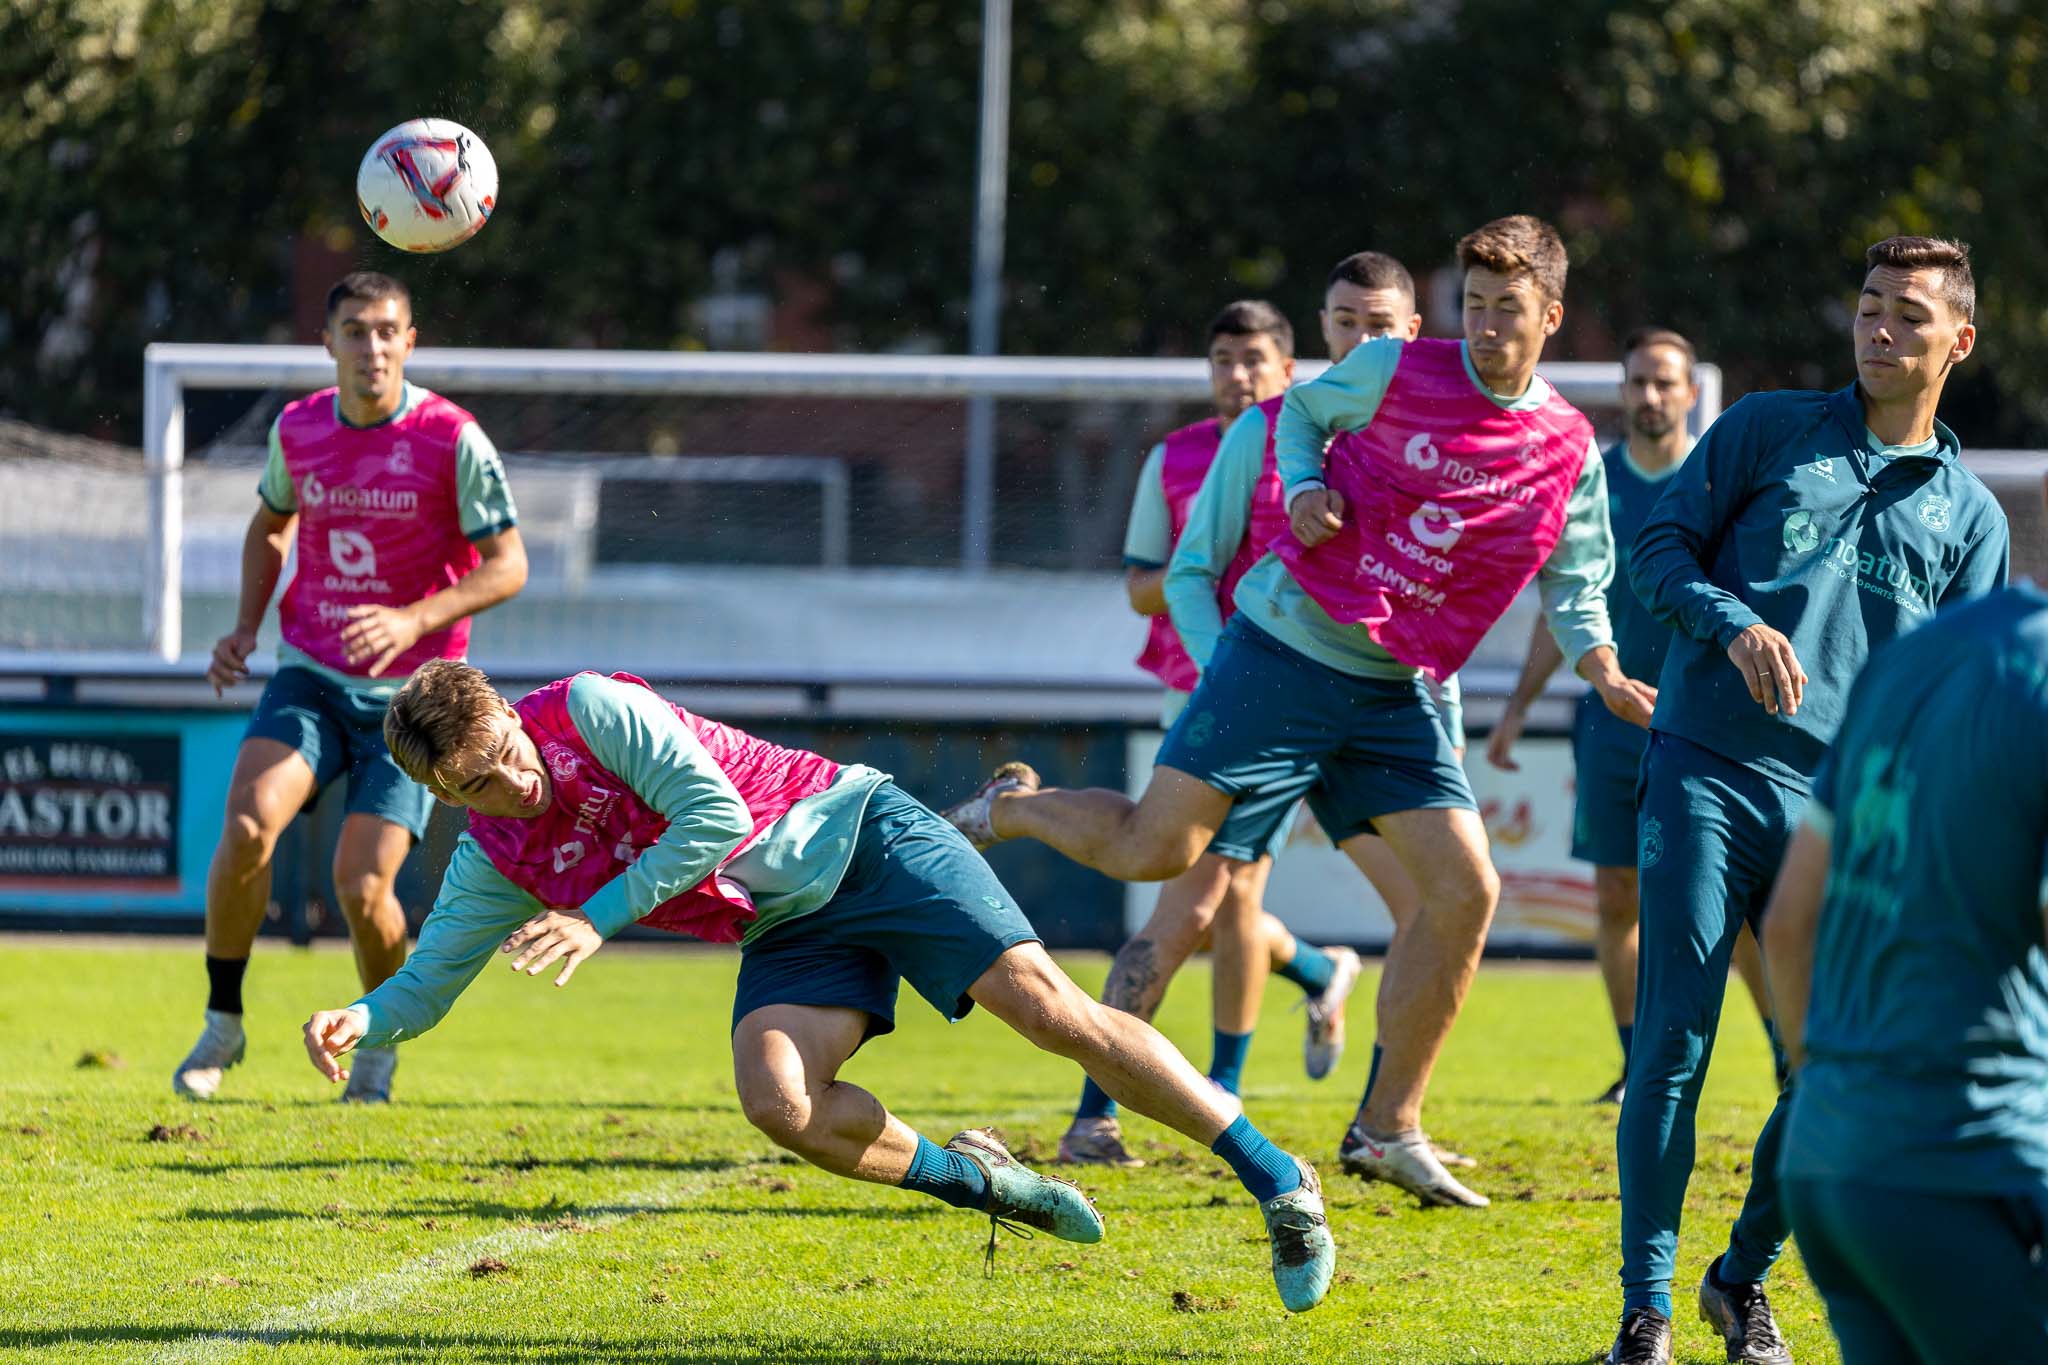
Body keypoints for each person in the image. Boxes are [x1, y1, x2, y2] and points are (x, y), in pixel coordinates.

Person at [948, 216, 1656, 1209]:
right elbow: (1294, 420)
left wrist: (1607, 669)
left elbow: (1578, 582)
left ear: (1551, 316)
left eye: (1510, 309)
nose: (1489, 326)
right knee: (1160, 854)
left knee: (1463, 890)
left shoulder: (1567, 447)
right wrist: (1315, 481)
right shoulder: (1390, 370)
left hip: (1393, 688)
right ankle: (1012, 809)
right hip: (1282, 649)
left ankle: (1384, 1127)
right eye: (1475, 305)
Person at [299, 662, 1336, 1311]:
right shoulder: (492, 856)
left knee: (1046, 1009)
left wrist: (595, 917)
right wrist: (363, 1015)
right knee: (776, 1101)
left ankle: (1277, 1180)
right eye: (476, 784)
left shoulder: (590, 710)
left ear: (509, 716)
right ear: (437, 794)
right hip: (791, 924)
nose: (514, 785)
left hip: (862, 836)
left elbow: (711, 822)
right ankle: (987, 1184)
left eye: (507, 756)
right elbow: (430, 982)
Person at [1607, 235, 2009, 1365]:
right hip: (1701, 769)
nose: (1879, 330)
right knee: (1670, 1044)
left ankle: (1737, 1280)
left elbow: (1951, 695)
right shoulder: (1766, 428)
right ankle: (1642, 1315)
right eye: (1868, 307)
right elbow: (1656, 552)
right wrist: (1730, 622)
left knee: (1834, 1069)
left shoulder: (1969, 518)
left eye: (1908, 316)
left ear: (1957, 343)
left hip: (1838, 818)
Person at [1144, 251, 1478, 1181]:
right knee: (1183, 893)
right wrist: (1234, 684)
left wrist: (1444, 711)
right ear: (1320, 331)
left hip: (1380, 714)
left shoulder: (1449, 440)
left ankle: (1383, 1118)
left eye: (1378, 328)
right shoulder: (1267, 431)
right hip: (1271, 697)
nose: (1360, 344)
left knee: (1437, 906)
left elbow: (1439, 601)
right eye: (1342, 325)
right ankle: (1123, 1110)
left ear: (1412, 334)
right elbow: (1180, 574)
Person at [175, 271, 528, 1104]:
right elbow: (270, 524)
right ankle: (223, 1022)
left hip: (415, 702)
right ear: (326, 343)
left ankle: (375, 1043)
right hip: (310, 673)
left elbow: (509, 562)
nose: (371, 347)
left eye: (387, 331)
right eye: (355, 331)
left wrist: (412, 621)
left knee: (362, 885)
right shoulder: (298, 428)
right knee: (250, 823)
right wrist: (244, 628)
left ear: (411, 342)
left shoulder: (452, 436)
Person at [1065, 297, 1364, 1167]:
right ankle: (1311, 974)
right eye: (1223, 360)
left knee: (1202, 898)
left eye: (1253, 360)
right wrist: (1213, 566)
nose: (1237, 375)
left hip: (1298, 701)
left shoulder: (1326, 455)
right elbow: (1141, 587)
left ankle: (1108, 1107)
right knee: (1221, 897)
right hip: (1194, 693)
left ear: (1287, 370)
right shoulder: (1177, 457)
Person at [1763, 584, 2048, 1364]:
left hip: (1831, 1165)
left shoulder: (1904, 663)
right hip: (1972, 1168)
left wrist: (1832, 1089)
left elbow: (1789, 923)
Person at [1488, 328, 1773, 1105]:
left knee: (1740, 903)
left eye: (1665, 383)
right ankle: (1633, 1067)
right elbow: (1562, 608)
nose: (1650, 396)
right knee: (1617, 896)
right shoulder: (1592, 481)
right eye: (1638, 381)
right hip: (1610, 724)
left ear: (1691, 392)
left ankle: (1790, 1061)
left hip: (1707, 721)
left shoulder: (1718, 481)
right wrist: (1516, 711)